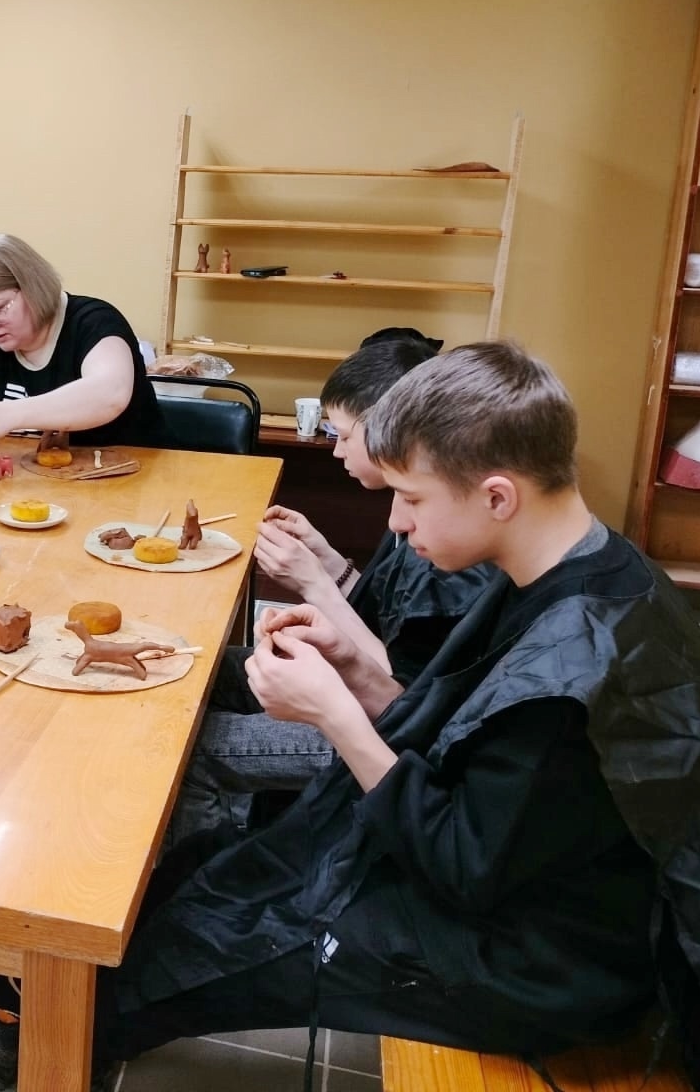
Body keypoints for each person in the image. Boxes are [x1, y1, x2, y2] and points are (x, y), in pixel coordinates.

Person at [0, 341, 700, 1092]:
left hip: (526, 961)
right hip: (493, 874)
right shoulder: (579, 567)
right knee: (196, 871)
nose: (397, 523)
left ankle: (25, 1047)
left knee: (200, 940)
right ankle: (52, 987)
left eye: (412, 498)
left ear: (498, 495)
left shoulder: (576, 675)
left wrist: (338, 717)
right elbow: (460, 737)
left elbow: (462, 864)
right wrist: (364, 676)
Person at [172, 334, 495, 843]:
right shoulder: (416, 513)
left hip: (383, 732)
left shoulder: (449, 548)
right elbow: (390, 618)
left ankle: (211, 856)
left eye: (343, 435)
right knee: (201, 671)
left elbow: (399, 690)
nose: (336, 449)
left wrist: (315, 584)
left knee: (189, 746)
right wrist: (326, 559)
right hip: (360, 694)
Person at [0, 234, 165, 460]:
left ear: (32, 289)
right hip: (42, 483)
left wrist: (11, 414)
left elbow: (110, 393)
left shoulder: (95, 322)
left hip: (139, 474)